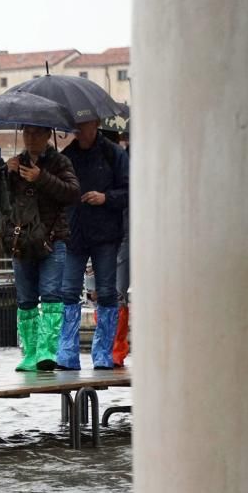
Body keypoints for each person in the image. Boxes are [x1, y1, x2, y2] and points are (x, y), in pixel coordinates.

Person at [0, 125, 80, 372]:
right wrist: (3, 174)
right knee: (26, 298)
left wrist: (40, 177)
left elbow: (72, 192)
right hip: (22, 241)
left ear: (46, 135)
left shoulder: (60, 162)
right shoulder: (14, 164)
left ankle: (46, 352)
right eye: (27, 133)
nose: (30, 138)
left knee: (52, 293)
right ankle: (30, 354)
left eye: (36, 133)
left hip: (53, 239)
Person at [56, 120, 129, 370]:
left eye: (84, 126)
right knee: (67, 291)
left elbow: (129, 190)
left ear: (95, 125)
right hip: (74, 234)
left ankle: (103, 354)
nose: (79, 131)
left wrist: (105, 198)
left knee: (107, 292)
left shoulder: (114, 154)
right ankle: (67, 353)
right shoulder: (66, 157)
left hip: (106, 235)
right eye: (76, 126)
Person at [113, 132, 131, 367]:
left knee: (116, 292)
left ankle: (116, 350)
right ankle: (114, 350)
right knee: (113, 293)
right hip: (117, 232)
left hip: (125, 231)